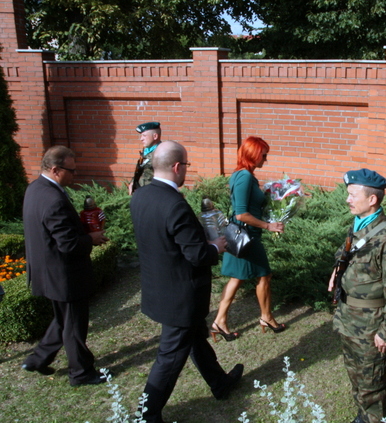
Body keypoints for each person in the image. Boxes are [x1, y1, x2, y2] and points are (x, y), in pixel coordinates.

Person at [130, 141, 243, 423]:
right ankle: (147, 414)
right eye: (187, 167)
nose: (186, 172)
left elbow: (166, 242)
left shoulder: (140, 195)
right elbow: (196, 255)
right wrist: (216, 246)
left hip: (160, 286)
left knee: (196, 338)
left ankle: (219, 383)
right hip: (180, 294)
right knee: (170, 357)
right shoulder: (174, 204)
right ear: (178, 167)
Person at [328, 169, 386, 423]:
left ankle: (373, 418)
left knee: (371, 382)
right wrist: (337, 269)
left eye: (353, 195)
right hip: (349, 319)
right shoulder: (359, 226)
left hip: (370, 326)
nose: (347, 199)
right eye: (348, 194)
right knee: (357, 376)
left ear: (372, 199)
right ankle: (364, 415)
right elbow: (346, 254)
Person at [21, 145, 109, 386]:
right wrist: (91, 238)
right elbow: (69, 245)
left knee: (63, 319)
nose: (75, 175)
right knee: (73, 325)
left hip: (46, 270)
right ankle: (80, 373)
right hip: (64, 274)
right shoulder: (54, 199)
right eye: (72, 170)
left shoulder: (35, 188)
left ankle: (37, 359)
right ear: (56, 169)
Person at [212, 136, 286, 341]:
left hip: (242, 235)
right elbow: (241, 214)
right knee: (264, 274)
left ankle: (220, 321)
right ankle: (266, 317)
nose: (266, 159)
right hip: (246, 236)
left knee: (238, 278)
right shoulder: (244, 177)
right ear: (254, 154)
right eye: (264, 155)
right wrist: (268, 225)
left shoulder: (242, 175)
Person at [128, 121, 162, 195]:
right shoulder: (147, 151)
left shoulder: (162, 153)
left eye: (144, 135)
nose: (141, 139)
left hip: (153, 195)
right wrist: (133, 182)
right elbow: (141, 170)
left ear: (155, 136)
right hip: (141, 193)